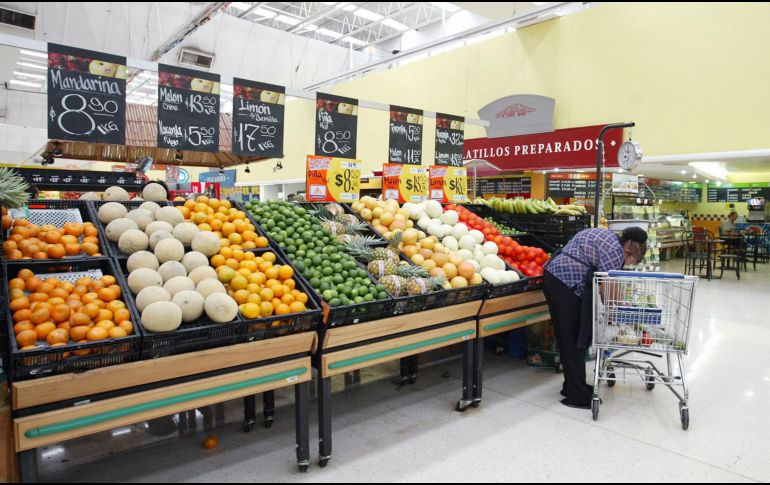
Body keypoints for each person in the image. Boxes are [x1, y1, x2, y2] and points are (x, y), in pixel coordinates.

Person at [542, 227, 648, 409]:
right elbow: (608, 288)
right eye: (631, 261)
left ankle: (573, 387)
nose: (627, 264)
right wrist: (619, 312)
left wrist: (615, 306)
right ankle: (576, 395)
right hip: (564, 284)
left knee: (569, 338)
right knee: (573, 339)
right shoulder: (616, 251)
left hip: (556, 278)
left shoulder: (608, 236)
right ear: (629, 252)